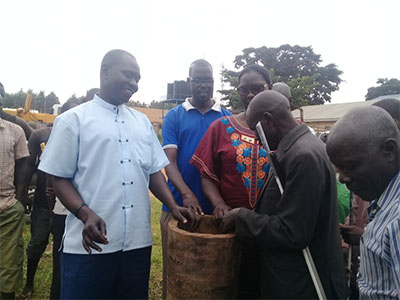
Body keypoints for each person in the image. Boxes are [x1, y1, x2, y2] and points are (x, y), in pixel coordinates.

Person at [38, 49, 197, 299]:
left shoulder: (142, 122)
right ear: (105, 71)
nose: (134, 84)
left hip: (136, 243)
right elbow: (59, 177)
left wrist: (172, 205)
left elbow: (154, 170)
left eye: (138, 79)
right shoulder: (73, 121)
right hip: (89, 245)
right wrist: (84, 212)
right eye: (129, 75)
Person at [220, 90, 347, 299]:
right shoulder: (298, 148)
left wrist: (241, 217)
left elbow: (293, 232)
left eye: (256, 132)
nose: (258, 142)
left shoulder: (302, 156)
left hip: (302, 282)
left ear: (268, 120)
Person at [190, 64, 272, 298]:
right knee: (230, 286)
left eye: (257, 88)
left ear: (270, 88)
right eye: (243, 89)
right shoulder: (221, 127)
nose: (250, 94)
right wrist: (218, 204)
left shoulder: (284, 129)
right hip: (230, 227)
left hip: (271, 228)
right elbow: (206, 176)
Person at [160, 59, 231, 298]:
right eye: (198, 80)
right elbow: (168, 161)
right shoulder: (174, 116)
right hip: (178, 206)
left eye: (208, 81)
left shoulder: (226, 118)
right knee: (175, 274)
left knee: (215, 277)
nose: (203, 85)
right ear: (189, 81)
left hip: (216, 210)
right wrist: (187, 193)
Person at [326, 106, 400, 299]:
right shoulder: (385, 200)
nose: (342, 178)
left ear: (389, 150)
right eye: (338, 169)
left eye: (350, 166)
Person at [18, 98, 80, 300]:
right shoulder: (40, 135)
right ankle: (29, 283)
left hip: (68, 206)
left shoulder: (81, 137)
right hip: (44, 205)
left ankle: (61, 286)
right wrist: (23, 194)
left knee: (63, 249)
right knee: (37, 243)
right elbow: (28, 166)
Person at [0, 102, 30, 300]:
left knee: (9, 262)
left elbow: (24, 164)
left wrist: (19, 199)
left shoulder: (14, 130)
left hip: (7, 207)